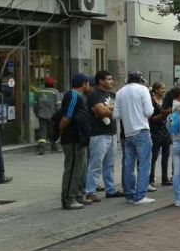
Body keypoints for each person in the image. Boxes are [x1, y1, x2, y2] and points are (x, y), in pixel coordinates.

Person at [113, 71, 156, 205]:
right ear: (140, 80)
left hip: (128, 132)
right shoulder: (143, 90)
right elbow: (149, 111)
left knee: (128, 165)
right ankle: (140, 195)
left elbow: (115, 114)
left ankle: (129, 194)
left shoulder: (120, 92)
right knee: (144, 164)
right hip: (142, 130)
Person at [84, 70, 120, 202]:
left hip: (111, 133)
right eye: (109, 79)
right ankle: (90, 191)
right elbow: (100, 111)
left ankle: (111, 189)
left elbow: (116, 109)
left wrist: (108, 109)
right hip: (98, 134)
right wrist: (111, 109)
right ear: (101, 81)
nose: (112, 82)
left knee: (109, 164)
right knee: (95, 164)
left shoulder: (111, 94)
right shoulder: (94, 94)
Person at [58, 73, 92, 210]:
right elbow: (67, 117)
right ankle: (69, 198)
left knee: (80, 168)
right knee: (73, 168)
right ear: (84, 84)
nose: (89, 85)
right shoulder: (73, 96)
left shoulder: (78, 97)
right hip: (72, 139)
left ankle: (78, 194)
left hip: (79, 139)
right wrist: (60, 132)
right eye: (88, 83)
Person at [149, 82, 172, 187]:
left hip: (165, 130)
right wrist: (164, 114)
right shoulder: (151, 101)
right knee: (154, 156)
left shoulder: (165, 101)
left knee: (166, 155)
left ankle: (165, 178)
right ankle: (151, 178)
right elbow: (152, 118)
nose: (164, 90)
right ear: (156, 90)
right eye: (162, 88)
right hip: (155, 131)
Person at [33, 76, 61, 155]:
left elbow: (35, 104)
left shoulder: (39, 91)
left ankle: (42, 149)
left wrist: (36, 113)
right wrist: (58, 116)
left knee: (42, 132)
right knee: (53, 131)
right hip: (52, 115)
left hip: (41, 115)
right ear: (52, 85)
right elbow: (58, 105)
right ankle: (54, 147)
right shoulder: (55, 92)